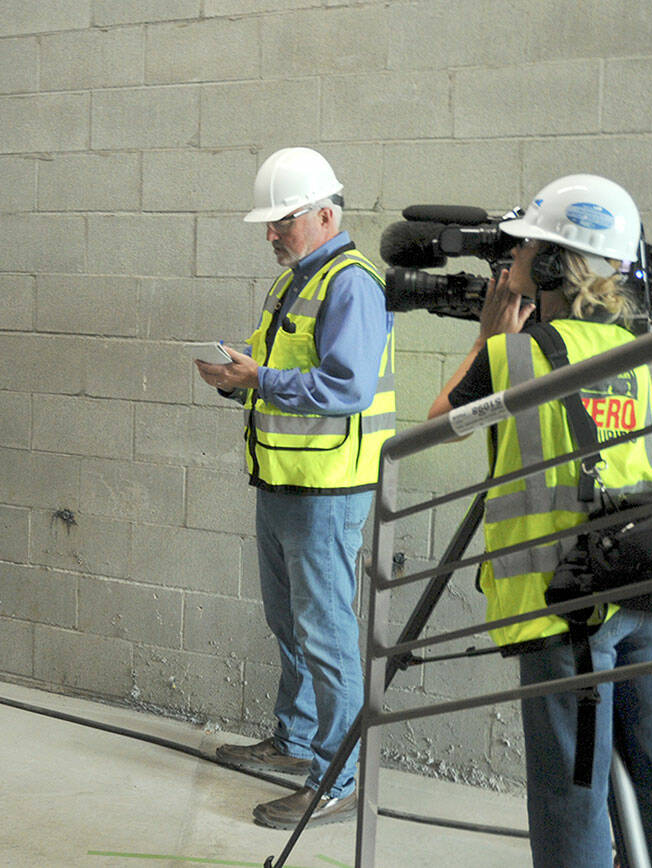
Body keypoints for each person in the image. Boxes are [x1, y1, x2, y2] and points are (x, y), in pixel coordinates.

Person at [429, 174, 652, 867]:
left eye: (522, 250)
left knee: (572, 795)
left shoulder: (515, 355)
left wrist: (486, 338)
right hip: (650, 584)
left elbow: (432, 426)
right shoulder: (632, 348)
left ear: (547, 265)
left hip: (564, 600)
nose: (509, 263)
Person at [196, 147, 395, 829]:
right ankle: (296, 741)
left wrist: (259, 381)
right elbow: (276, 375)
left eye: (283, 220)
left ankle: (335, 780)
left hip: (328, 487)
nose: (272, 233)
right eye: (270, 223)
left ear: (326, 214)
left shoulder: (352, 283)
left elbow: (348, 387)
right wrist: (237, 382)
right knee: (290, 623)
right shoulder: (289, 285)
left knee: (328, 633)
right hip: (282, 479)